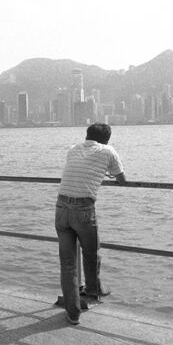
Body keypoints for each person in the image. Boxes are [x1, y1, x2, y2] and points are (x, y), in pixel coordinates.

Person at [54, 123, 126, 325]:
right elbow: (122, 179)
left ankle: (73, 313)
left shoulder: (73, 148)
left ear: (87, 135)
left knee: (68, 265)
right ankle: (93, 290)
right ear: (107, 139)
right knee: (91, 252)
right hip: (83, 209)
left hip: (61, 207)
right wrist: (109, 173)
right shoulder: (107, 151)